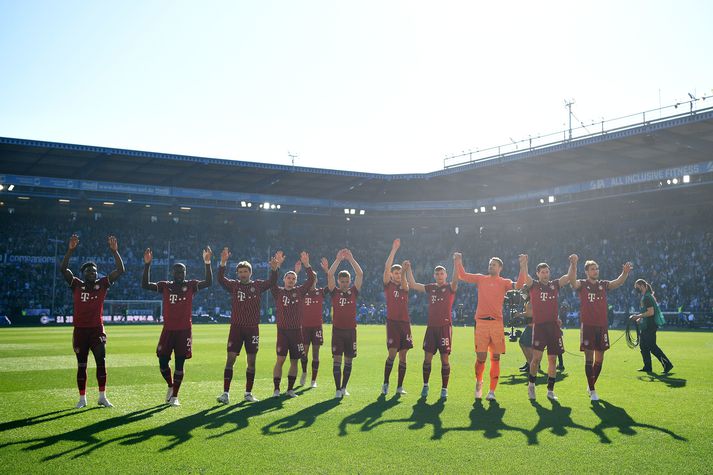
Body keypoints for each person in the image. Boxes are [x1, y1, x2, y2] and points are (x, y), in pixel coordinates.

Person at [60, 234, 125, 409]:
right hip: (80, 330)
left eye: (95, 271)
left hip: (97, 329)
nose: (93, 273)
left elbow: (120, 270)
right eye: (89, 271)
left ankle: (102, 396)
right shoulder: (76, 284)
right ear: (83, 274)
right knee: (82, 365)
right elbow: (63, 269)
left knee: (101, 362)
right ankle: (82, 398)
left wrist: (115, 252)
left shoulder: (102, 284)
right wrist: (70, 250)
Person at [142, 246, 213, 406]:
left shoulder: (191, 286)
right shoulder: (165, 286)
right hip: (168, 330)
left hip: (184, 331)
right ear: (172, 273)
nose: (179, 274)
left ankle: (175, 396)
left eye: (182, 272)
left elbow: (208, 282)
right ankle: (170, 385)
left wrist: (207, 262)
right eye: (177, 272)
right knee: (162, 362)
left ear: (185, 273)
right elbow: (145, 285)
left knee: (180, 363)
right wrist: (147, 265)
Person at [454, 253, 523, 401]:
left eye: (494, 264)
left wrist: (523, 266)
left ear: (500, 268)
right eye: (490, 264)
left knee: (496, 358)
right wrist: (459, 260)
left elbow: (519, 285)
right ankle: (479, 381)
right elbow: (462, 275)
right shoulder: (481, 278)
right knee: (481, 358)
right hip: (481, 323)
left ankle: (492, 391)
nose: (491, 266)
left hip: (497, 323)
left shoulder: (504, 282)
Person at [216, 248, 281, 404]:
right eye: (240, 272)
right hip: (236, 328)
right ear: (237, 274)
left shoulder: (257, 285)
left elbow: (272, 282)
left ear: (250, 273)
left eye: (245, 271)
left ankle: (248, 393)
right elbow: (220, 279)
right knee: (230, 359)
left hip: (252, 328)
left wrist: (274, 269)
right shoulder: (234, 286)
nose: (243, 274)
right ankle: (225, 393)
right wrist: (223, 263)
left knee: (251, 362)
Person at [571, 258, 633, 401]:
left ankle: (590, 384)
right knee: (589, 358)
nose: (596, 271)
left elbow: (618, 282)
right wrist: (573, 265)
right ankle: (592, 390)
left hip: (602, 326)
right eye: (592, 269)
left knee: (600, 359)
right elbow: (573, 282)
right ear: (586, 271)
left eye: (597, 268)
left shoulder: (603, 285)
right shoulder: (583, 284)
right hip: (587, 326)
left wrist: (625, 273)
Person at [518, 254, 576, 401]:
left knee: (553, 360)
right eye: (542, 272)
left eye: (547, 272)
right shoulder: (534, 285)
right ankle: (531, 385)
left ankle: (550, 391)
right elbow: (526, 278)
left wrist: (573, 263)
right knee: (536, 359)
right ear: (538, 274)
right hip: (539, 327)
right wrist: (524, 264)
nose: (545, 274)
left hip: (553, 327)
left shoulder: (554, 284)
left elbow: (568, 277)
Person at [402, 257, 458, 400]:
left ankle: (444, 389)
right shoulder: (431, 287)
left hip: (445, 327)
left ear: (446, 275)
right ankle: (425, 385)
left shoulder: (450, 287)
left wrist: (457, 263)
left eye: (442, 274)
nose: (439, 276)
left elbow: (456, 278)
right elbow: (413, 284)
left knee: (444, 358)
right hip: (431, 328)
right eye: (437, 274)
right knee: (427, 358)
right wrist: (408, 270)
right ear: (434, 276)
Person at [271, 251, 314, 398]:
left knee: (295, 361)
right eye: (288, 278)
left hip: (296, 332)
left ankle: (290, 389)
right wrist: (276, 267)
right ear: (284, 279)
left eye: (293, 278)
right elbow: (271, 282)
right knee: (280, 360)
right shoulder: (278, 292)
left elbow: (311, 280)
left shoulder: (300, 291)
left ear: (296, 281)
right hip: (282, 331)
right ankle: (276, 389)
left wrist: (307, 264)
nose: (290, 280)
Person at [326, 249, 364, 398]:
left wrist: (351, 259)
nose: (344, 284)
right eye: (342, 281)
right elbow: (329, 274)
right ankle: (337, 389)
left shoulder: (354, 291)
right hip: (338, 331)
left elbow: (360, 274)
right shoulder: (334, 292)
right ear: (338, 282)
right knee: (337, 359)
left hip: (351, 331)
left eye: (346, 281)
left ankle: (344, 388)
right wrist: (337, 260)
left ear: (349, 282)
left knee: (349, 360)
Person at [382, 239, 412, 395]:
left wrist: (405, 271)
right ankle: (386, 383)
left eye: (400, 273)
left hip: (405, 323)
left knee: (403, 355)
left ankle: (399, 386)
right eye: (396, 273)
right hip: (392, 323)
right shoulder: (388, 285)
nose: (398, 275)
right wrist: (394, 249)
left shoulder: (404, 286)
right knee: (392, 354)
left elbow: (407, 285)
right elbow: (387, 267)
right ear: (392, 275)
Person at [296, 257, 330, 388]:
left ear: (316, 280)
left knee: (316, 354)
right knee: (304, 353)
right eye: (310, 279)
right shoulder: (301, 292)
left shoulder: (320, 292)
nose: (312, 281)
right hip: (304, 327)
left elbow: (332, 285)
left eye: (314, 279)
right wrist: (297, 272)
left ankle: (313, 380)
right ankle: (304, 372)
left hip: (316, 327)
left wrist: (327, 271)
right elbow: (292, 286)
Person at [630, 279, 673, 373]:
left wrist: (638, 316)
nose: (636, 289)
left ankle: (667, 364)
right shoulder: (646, 296)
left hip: (650, 325)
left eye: (637, 287)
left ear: (642, 286)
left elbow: (651, 312)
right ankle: (647, 367)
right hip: (646, 325)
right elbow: (645, 311)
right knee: (643, 347)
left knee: (652, 347)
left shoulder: (647, 298)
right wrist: (640, 318)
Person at [517, 286, 534, 373]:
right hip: (529, 325)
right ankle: (529, 363)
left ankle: (532, 365)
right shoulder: (528, 301)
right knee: (522, 343)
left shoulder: (531, 301)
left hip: (532, 326)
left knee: (528, 346)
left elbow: (529, 314)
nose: (523, 293)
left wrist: (518, 314)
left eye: (524, 291)